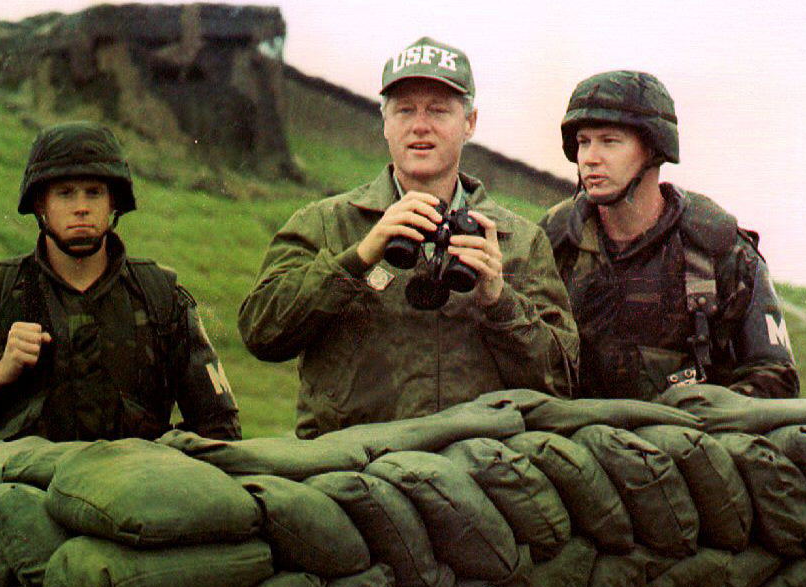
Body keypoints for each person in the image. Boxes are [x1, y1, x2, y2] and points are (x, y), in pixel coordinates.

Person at [238, 37, 578, 439]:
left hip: (476, 476)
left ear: (469, 123)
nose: (420, 125)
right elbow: (262, 333)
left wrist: (499, 301)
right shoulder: (326, 223)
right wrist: (357, 257)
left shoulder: (518, 241)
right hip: (352, 474)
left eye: (439, 110)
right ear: (385, 124)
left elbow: (563, 381)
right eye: (404, 111)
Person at [0, 121, 241, 441]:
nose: (81, 208)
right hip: (21, 493)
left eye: (94, 193)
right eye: (65, 193)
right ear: (40, 204)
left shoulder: (160, 297)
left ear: (112, 203)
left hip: (131, 495)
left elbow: (219, 425)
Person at [540, 70, 798, 400]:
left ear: (653, 148)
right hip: (577, 439)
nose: (590, 158)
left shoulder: (717, 247)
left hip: (687, 441)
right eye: (583, 142)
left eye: (610, 141)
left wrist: (698, 414)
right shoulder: (555, 240)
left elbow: (775, 377)